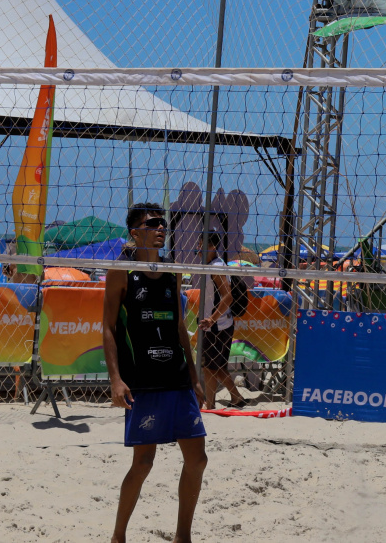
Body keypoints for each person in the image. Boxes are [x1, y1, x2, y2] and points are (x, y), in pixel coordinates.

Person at [102, 203, 207, 543]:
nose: (162, 227)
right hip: (142, 380)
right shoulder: (121, 271)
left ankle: (183, 537)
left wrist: (193, 376)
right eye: (154, 223)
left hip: (176, 377)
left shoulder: (172, 270)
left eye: (164, 223)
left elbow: (179, 326)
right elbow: (107, 327)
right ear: (136, 232)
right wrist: (115, 379)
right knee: (144, 462)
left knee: (198, 459)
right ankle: (118, 536)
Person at [197, 230, 248, 409]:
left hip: (217, 326)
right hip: (219, 323)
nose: (198, 247)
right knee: (216, 366)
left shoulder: (216, 267)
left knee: (210, 367)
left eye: (200, 243)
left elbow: (228, 297)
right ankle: (235, 397)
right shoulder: (213, 264)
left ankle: (211, 404)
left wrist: (211, 319)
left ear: (210, 246)